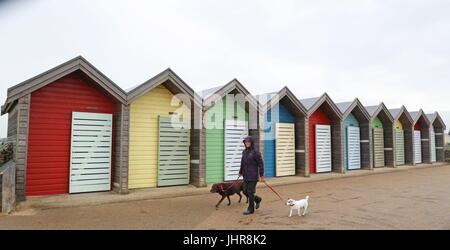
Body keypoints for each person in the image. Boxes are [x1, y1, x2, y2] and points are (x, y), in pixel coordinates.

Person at [238, 136, 265, 215]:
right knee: (245, 191)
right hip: (246, 175)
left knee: (250, 191)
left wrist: (261, 175)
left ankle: (250, 209)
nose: (247, 143)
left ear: (251, 143)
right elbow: (242, 163)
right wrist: (240, 172)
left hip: (253, 176)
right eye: (245, 142)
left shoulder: (256, 152)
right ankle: (257, 199)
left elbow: (261, 164)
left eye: (248, 142)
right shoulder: (244, 152)